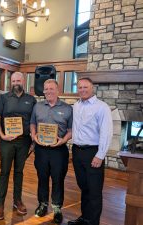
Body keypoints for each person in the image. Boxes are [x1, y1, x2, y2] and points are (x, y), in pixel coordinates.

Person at [68, 78, 113, 225]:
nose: (82, 90)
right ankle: (85, 218)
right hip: (77, 151)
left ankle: (93, 222)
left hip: (92, 153)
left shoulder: (102, 107)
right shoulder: (76, 105)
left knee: (94, 191)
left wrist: (100, 155)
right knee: (84, 187)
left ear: (92, 88)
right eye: (79, 87)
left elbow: (106, 133)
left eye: (85, 87)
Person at [0, 72, 36, 220]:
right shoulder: (3, 98)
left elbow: (34, 122)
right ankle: (0, 204)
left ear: (23, 81)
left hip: (24, 141)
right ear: (10, 82)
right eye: (13, 80)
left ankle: (17, 200)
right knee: (4, 172)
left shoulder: (31, 100)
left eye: (18, 80)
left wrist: (33, 142)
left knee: (19, 172)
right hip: (7, 141)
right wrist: (2, 135)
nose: (16, 82)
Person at [30, 79, 73, 224]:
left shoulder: (67, 108)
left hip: (59, 150)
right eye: (46, 89)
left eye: (51, 89)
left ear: (57, 90)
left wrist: (64, 140)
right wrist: (34, 136)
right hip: (41, 150)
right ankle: (42, 204)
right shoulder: (38, 106)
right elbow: (32, 124)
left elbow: (70, 130)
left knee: (58, 179)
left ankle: (57, 208)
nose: (48, 91)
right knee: (42, 178)